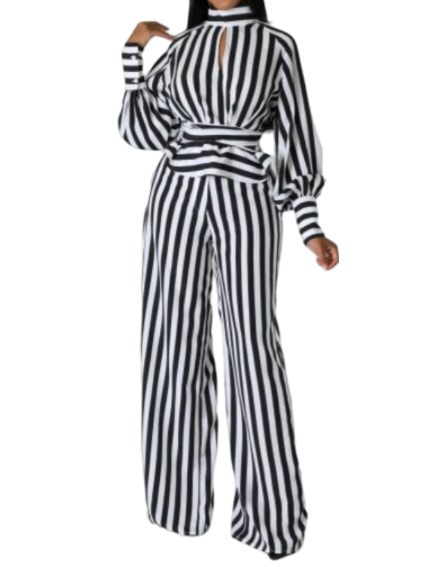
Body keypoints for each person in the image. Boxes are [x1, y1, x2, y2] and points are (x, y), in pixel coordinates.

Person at [117, 0, 339, 560]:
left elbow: (295, 136)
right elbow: (141, 131)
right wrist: (132, 53)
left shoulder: (277, 46)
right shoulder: (182, 48)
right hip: (175, 197)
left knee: (253, 346)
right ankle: (177, 505)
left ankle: (272, 518)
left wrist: (310, 226)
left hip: (247, 198)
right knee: (171, 341)